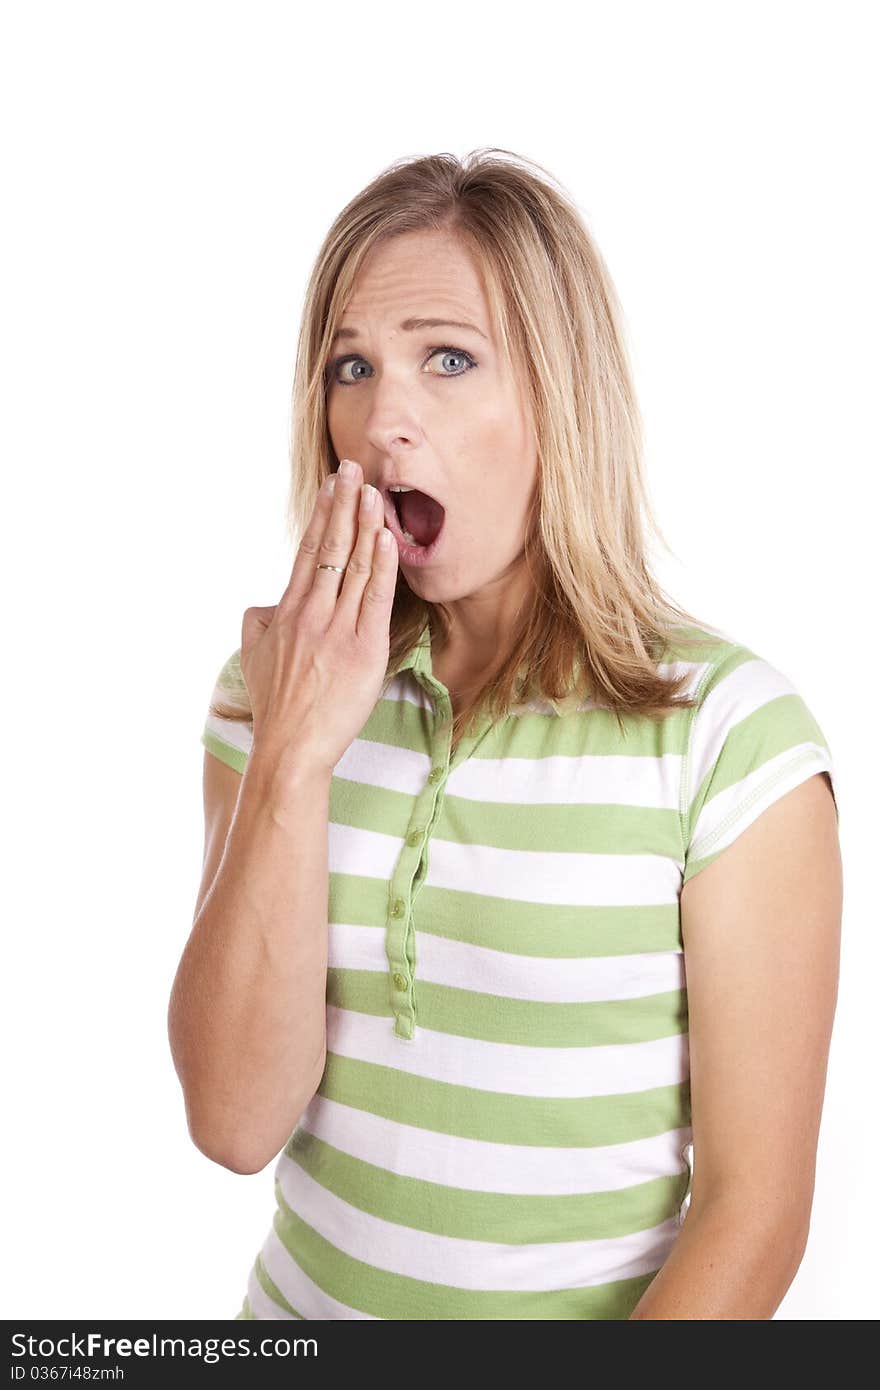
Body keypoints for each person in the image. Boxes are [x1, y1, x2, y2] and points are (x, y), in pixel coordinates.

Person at [167, 148, 842, 1321]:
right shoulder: (266, 692)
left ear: (558, 394)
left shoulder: (732, 739)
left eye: (448, 359)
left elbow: (754, 1214)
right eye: (351, 367)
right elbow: (232, 1120)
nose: (386, 420)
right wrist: (293, 752)